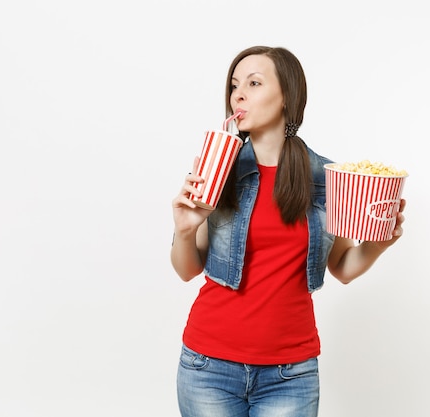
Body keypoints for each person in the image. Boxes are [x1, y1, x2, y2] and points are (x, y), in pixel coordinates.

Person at [170, 45, 406, 417]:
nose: (239, 94)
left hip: (290, 375)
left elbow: (343, 267)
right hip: (208, 366)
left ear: (287, 97)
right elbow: (187, 269)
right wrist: (184, 230)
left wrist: (378, 245)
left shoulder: (329, 179)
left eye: (254, 83)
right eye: (234, 85)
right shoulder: (218, 170)